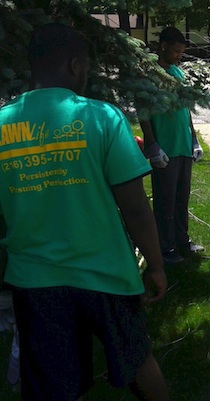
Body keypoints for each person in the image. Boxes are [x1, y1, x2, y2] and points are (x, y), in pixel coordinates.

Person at [0, 23, 170, 400]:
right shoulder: (102, 118)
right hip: (106, 273)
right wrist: (156, 265)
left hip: (35, 280)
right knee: (138, 361)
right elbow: (136, 209)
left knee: (52, 382)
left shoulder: (2, 125)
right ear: (76, 65)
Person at [139, 27, 205, 264]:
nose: (179, 56)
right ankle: (165, 248)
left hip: (183, 145)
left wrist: (194, 140)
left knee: (181, 198)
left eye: (181, 52)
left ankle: (181, 240)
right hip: (164, 147)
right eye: (176, 51)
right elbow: (143, 113)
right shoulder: (150, 75)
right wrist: (152, 145)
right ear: (163, 46)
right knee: (165, 200)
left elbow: (186, 110)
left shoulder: (177, 72)